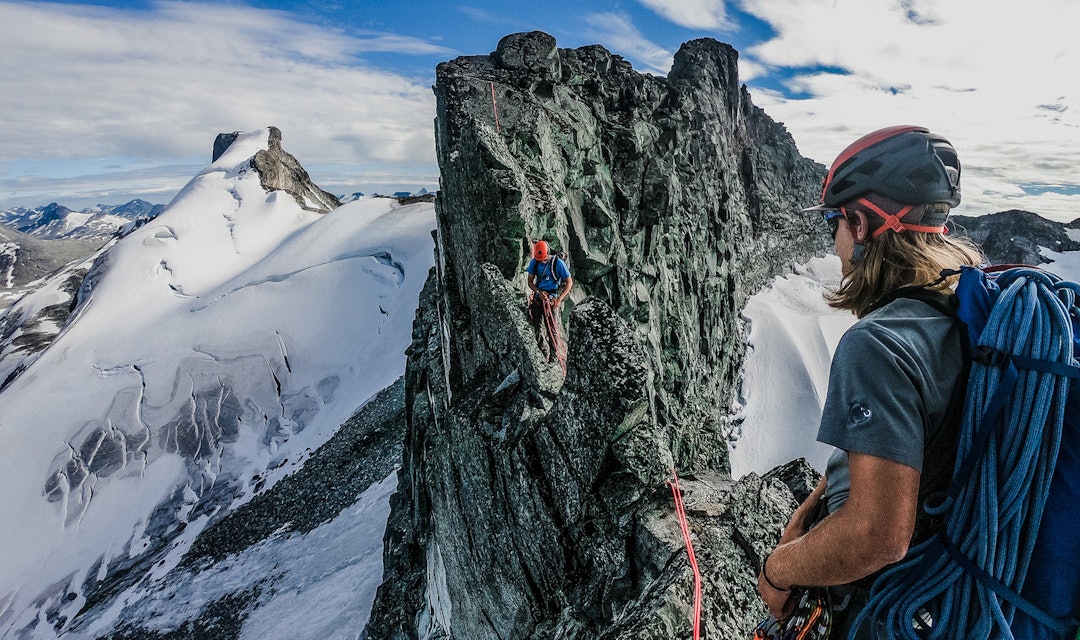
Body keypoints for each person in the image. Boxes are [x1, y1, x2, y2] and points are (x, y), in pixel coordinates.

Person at [755, 125, 985, 638]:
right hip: (948, 596)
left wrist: (778, 570)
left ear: (860, 225)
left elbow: (878, 536)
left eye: (834, 224)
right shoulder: (965, 312)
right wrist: (810, 509)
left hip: (887, 609)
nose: (834, 243)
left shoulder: (877, 343)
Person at [525, 240, 573, 362]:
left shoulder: (558, 263)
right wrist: (537, 292)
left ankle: (553, 356)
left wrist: (559, 299)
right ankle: (543, 350)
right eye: (540, 260)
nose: (542, 261)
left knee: (551, 328)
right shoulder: (534, 262)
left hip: (552, 296)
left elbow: (569, 282)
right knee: (536, 325)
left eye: (544, 259)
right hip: (539, 296)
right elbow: (530, 281)